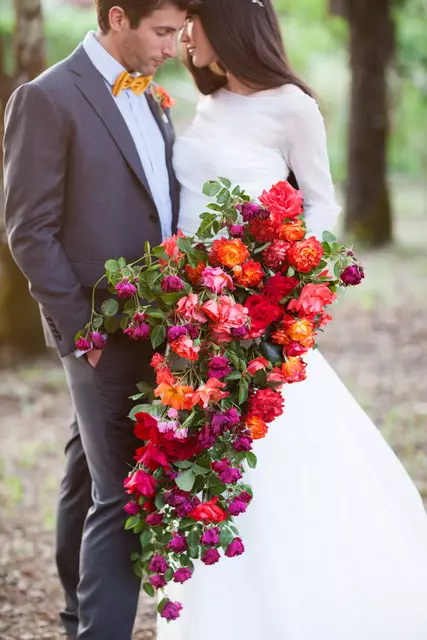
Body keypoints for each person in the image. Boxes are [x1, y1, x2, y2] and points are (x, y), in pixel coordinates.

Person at [157, 1, 427, 638]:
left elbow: (322, 205)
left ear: (227, 27)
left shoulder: (291, 105)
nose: (185, 33)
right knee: (205, 465)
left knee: (276, 461)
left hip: (257, 318)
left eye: (193, 19)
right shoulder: (207, 103)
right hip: (193, 320)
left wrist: (278, 291)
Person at [3, 1, 196, 638]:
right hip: (95, 328)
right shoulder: (47, 97)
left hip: (156, 323)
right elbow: (29, 231)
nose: (173, 47)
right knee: (123, 497)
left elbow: (156, 210)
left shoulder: (151, 98)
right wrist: (81, 331)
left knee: (87, 470)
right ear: (118, 17)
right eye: (163, 32)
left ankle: (73, 611)